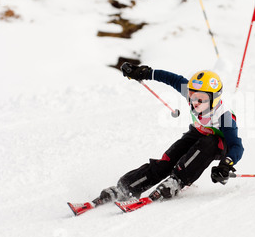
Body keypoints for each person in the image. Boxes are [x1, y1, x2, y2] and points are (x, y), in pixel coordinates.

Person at [94, 62, 244, 205]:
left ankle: (177, 181)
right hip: (197, 132)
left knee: (208, 143)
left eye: (202, 98)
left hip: (217, 145)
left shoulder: (223, 116)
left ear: (214, 98)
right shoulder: (193, 96)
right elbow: (172, 79)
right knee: (166, 162)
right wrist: (145, 73)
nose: (195, 102)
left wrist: (226, 164)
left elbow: (236, 145)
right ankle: (127, 187)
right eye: (192, 95)